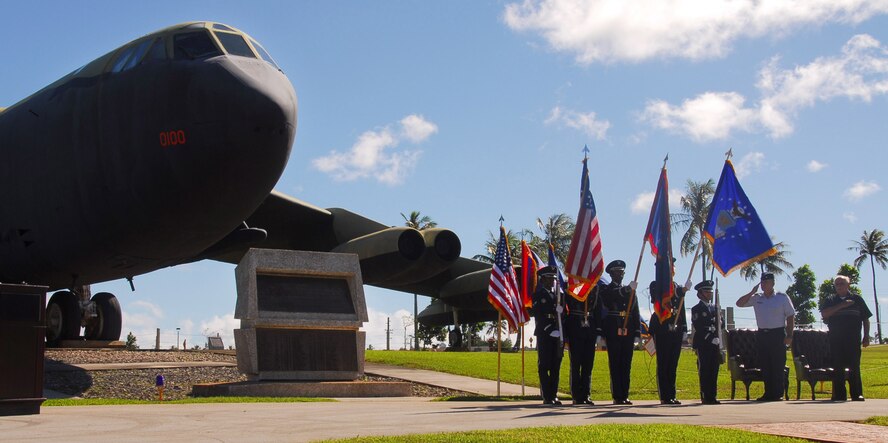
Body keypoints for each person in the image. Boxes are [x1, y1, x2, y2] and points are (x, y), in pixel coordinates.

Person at [736, 272, 795, 402]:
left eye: (767, 282)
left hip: (778, 334)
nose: (764, 285)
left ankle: (778, 393)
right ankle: (768, 393)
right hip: (762, 334)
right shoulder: (757, 298)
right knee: (766, 365)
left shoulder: (782, 297)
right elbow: (739, 303)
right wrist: (751, 292)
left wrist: (790, 335)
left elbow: (790, 316)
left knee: (778, 365)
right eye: (762, 282)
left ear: (773, 283)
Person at [820, 275, 872, 402]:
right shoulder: (831, 299)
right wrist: (842, 305)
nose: (839, 286)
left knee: (854, 366)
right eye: (837, 284)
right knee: (838, 366)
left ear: (848, 285)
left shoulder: (857, 299)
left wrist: (866, 336)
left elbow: (865, 318)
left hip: (853, 339)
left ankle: (856, 394)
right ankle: (839, 395)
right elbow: (825, 313)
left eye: (842, 283)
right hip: (835, 339)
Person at [600, 260, 640, 405]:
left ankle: (625, 394)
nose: (620, 274)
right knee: (615, 363)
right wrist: (628, 290)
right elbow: (611, 297)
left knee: (626, 364)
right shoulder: (606, 289)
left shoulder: (630, 290)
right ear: (611, 274)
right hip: (613, 329)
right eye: (617, 272)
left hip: (628, 329)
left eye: (622, 272)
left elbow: (635, 311)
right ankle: (617, 395)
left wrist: (637, 332)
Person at [648, 266, 689, 405]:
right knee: (664, 362)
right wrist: (680, 292)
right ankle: (665, 395)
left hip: (676, 330)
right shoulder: (656, 285)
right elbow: (658, 298)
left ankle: (672, 394)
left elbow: (681, 309)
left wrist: (684, 329)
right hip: (662, 328)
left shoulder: (678, 287)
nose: (671, 269)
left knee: (673, 363)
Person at [564, 272, 602, 405]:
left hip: (590, 328)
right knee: (576, 364)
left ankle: (586, 394)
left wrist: (598, 331)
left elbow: (597, 309)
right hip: (575, 327)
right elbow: (567, 306)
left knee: (588, 364)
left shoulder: (595, 287)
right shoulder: (572, 285)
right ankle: (576, 395)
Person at [531, 265, 565, 405]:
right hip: (544, 333)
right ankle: (546, 395)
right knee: (545, 365)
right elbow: (539, 315)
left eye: (553, 279)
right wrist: (549, 328)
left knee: (555, 365)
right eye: (549, 278)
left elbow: (563, 315)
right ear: (543, 280)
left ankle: (554, 394)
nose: (552, 281)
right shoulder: (538, 295)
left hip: (558, 333)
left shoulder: (558, 296)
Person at [691, 280, 722, 405]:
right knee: (705, 370)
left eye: (710, 291)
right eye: (706, 291)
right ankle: (705, 395)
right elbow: (699, 326)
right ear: (700, 294)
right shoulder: (697, 309)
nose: (709, 294)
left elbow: (721, 324)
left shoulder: (715, 308)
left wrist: (719, 322)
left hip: (715, 342)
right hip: (704, 343)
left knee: (714, 369)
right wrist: (710, 338)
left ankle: (712, 395)